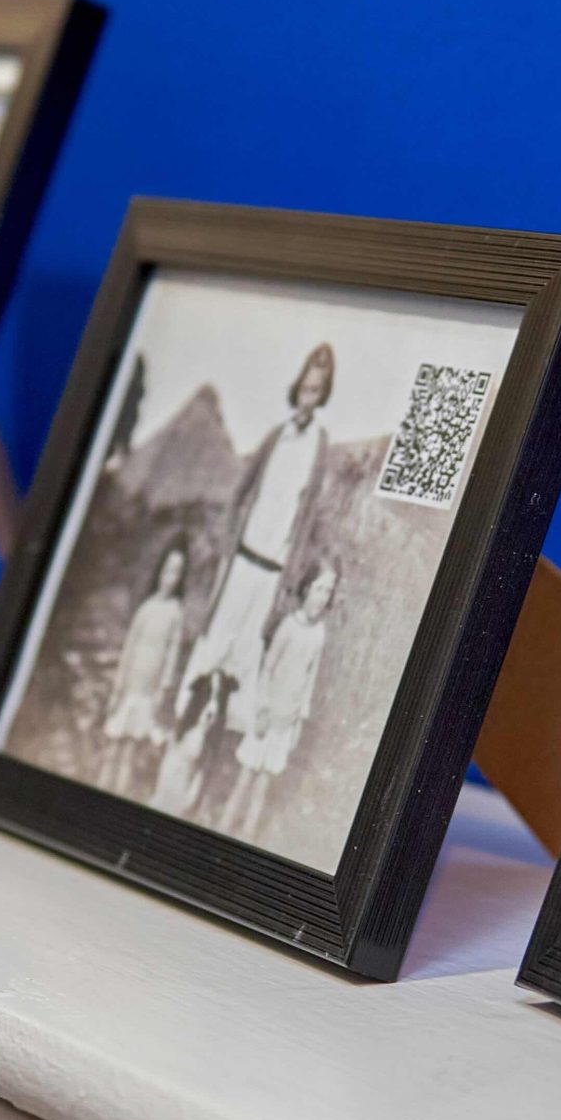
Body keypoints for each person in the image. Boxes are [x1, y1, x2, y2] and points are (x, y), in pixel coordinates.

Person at [156, 343, 334, 815]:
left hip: (272, 574)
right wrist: (226, 545)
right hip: (241, 563)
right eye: (304, 386)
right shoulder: (278, 437)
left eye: (316, 390)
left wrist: (290, 577)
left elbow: (307, 514)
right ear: (296, 388)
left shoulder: (318, 447)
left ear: (322, 396)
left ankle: (213, 782)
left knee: (248, 662)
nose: (307, 396)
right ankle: (173, 752)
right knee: (213, 644)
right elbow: (241, 493)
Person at [222, 562, 336, 840]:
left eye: (328, 592)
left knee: (263, 785)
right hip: (267, 715)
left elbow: (309, 679)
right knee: (246, 778)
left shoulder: (319, 634)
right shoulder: (289, 626)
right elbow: (268, 669)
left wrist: (298, 720)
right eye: (319, 589)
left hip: (286, 721)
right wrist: (261, 709)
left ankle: (246, 839)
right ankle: (223, 833)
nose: (322, 597)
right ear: (307, 588)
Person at [98, 544, 190, 799]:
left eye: (178, 572)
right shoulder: (146, 608)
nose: (171, 577)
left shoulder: (175, 613)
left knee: (129, 749)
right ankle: (100, 793)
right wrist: (118, 687)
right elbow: (129, 648)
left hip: (148, 693)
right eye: (168, 570)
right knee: (113, 745)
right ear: (160, 570)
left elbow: (171, 656)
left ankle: (118, 798)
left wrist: (162, 689)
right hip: (129, 686)